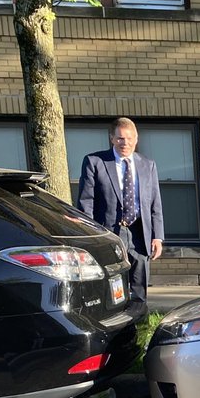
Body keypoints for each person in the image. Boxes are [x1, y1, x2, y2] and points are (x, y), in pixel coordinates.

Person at [77, 117, 164, 303]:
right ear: (112, 138)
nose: (125, 143)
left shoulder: (148, 165)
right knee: (112, 285)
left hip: (139, 232)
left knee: (139, 285)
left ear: (136, 138)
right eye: (120, 138)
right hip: (108, 232)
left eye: (129, 138)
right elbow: (86, 203)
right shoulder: (95, 162)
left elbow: (155, 202)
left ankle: (139, 324)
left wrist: (157, 237)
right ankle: (117, 325)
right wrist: (90, 237)